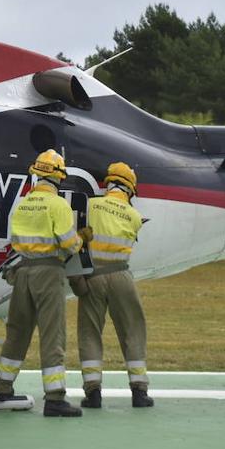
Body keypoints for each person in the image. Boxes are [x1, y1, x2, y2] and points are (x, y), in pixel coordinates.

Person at [0, 149, 88, 417]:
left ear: (36, 173)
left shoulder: (24, 203)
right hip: (48, 271)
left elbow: (15, 240)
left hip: (23, 272)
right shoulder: (58, 205)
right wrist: (81, 238)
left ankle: (3, 387)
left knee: (17, 330)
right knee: (52, 333)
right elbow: (69, 243)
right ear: (58, 177)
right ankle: (55, 398)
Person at [76, 162, 152, 409]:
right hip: (121, 275)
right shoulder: (134, 216)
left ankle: (93, 393)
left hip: (93, 276)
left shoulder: (91, 205)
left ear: (108, 184)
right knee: (133, 330)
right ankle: (139, 393)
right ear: (130, 189)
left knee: (89, 332)